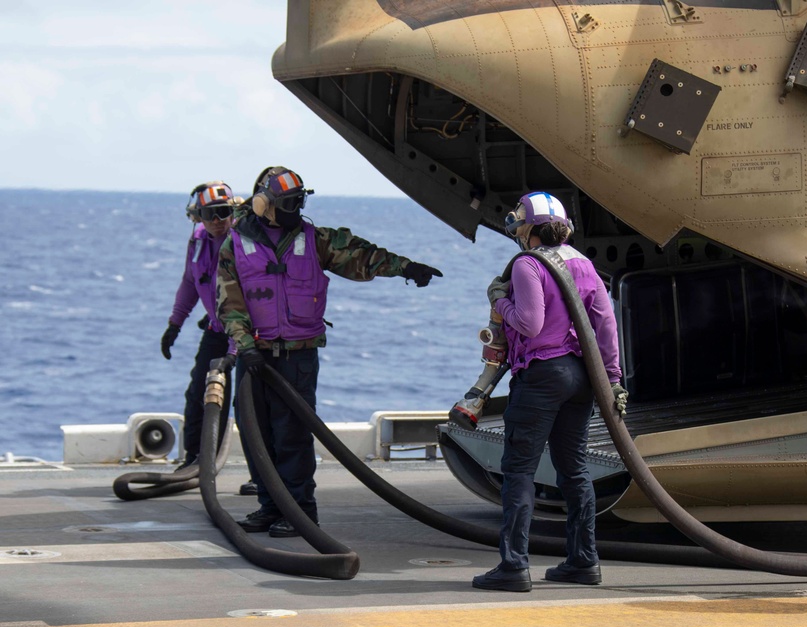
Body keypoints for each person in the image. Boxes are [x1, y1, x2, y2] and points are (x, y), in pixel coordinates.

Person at [216, 166, 442, 538]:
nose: (295, 209)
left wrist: (406, 267)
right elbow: (229, 302)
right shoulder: (236, 244)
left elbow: (361, 256)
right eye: (288, 203)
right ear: (264, 205)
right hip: (255, 358)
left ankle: (301, 511)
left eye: (299, 202)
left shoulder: (315, 239)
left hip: (298, 357)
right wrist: (245, 347)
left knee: (292, 436)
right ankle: (270, 507)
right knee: (257, 434)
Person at [472, 191, 627, 592]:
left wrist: (499, 299)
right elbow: (605, 323)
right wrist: (612, 379)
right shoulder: (583, 262)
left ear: (527, 229)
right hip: (581, 375)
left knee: (519, 469)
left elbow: (529, 323)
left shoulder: (527, 264)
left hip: (542, 375)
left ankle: (513, 567)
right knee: (573, 468)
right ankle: (583, 561)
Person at [161, 182, 238, 472]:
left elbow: (249, 302)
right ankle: (195, 457)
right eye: (210, 214)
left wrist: (234, 350)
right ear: (198, 216)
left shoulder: (245, 243)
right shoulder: (197, 242)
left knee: (246, 405)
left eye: (223, 213)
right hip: (217, 330)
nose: (217, 221)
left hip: (248, 336)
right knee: (198, 394)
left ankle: (262, 478)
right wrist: (174, 325)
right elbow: (190, 282)